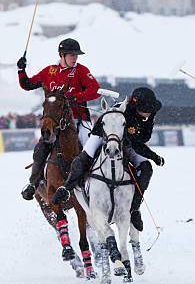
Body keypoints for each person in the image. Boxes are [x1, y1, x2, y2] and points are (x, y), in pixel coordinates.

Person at [52, 87, 165, 231]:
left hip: (127, 142)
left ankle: (134, 209)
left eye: (150, 109)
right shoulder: (123, 111)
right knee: (83, 159)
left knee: (146, 168)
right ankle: (66, 189)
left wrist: (152, 157)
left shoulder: (151, 112)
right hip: (103, 135)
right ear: (135, 105)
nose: (148, 113)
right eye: (145, 109)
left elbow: (143, 138)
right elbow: (137, 143)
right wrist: (154, 155)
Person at [18, 38, 101, 201]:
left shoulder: (82, 71)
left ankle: (95, 185)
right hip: (55, 123)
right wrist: (21, 70)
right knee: (41, 148)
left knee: (91, 147)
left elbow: (95, 90)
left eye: (77, 55)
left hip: (78, 120)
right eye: (72, 55)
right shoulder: (49, 72)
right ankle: (33, 184)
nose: (75, 58)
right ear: (62, 55)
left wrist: (76, 97)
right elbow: (27, 84)